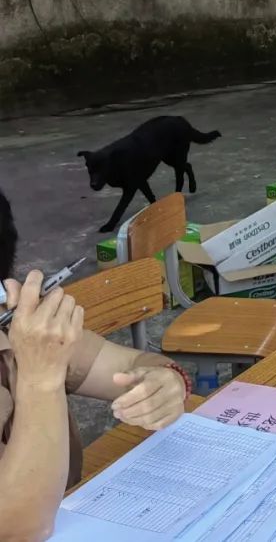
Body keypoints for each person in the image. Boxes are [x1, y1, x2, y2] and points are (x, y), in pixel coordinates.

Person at [0, 188, 190, 539]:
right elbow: (18, 528)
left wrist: (166, 383)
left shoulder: (16, 327)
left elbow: (131, 363)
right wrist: (40, 380)